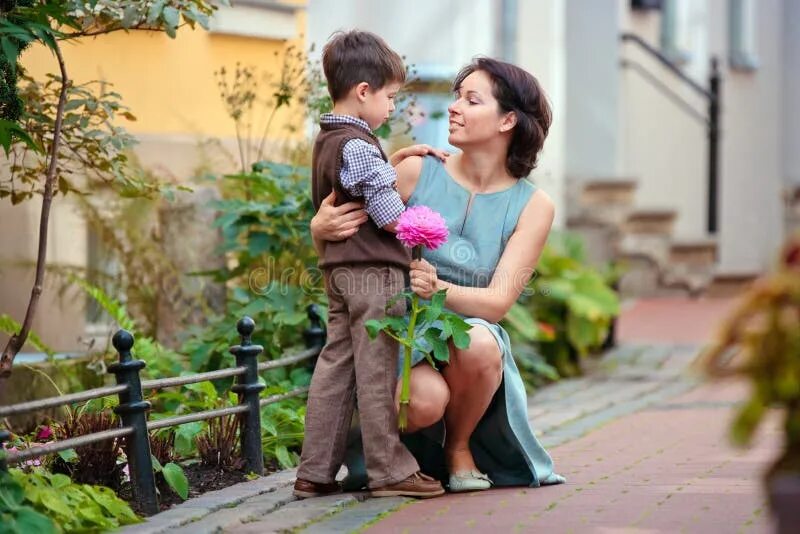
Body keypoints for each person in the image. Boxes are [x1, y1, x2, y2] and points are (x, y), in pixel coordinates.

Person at [310, 57, 566, 492]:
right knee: (422, 404)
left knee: (483, 342)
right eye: (456, 97)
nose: (453, 108)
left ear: (508, 120)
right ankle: (405, 458)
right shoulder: (413, 171)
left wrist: (436, 287)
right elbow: (351, 255)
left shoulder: (534, 205)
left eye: (471, 99)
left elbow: (497, 303)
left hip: (464, 337)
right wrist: (319, 231)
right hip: (399, 330)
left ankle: (459, 448)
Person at [294, 30, 447, 500]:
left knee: (336, 365)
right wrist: (418, 227)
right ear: (364, 92)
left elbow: (358, 185)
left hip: (340, 273)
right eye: (390, 98)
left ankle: (314, 471)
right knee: (378, 370)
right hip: (374, 276)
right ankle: (390, 471)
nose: (391, 109)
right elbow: (386, 217)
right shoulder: (360, 147)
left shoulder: (330, 140)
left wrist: (391, 160)